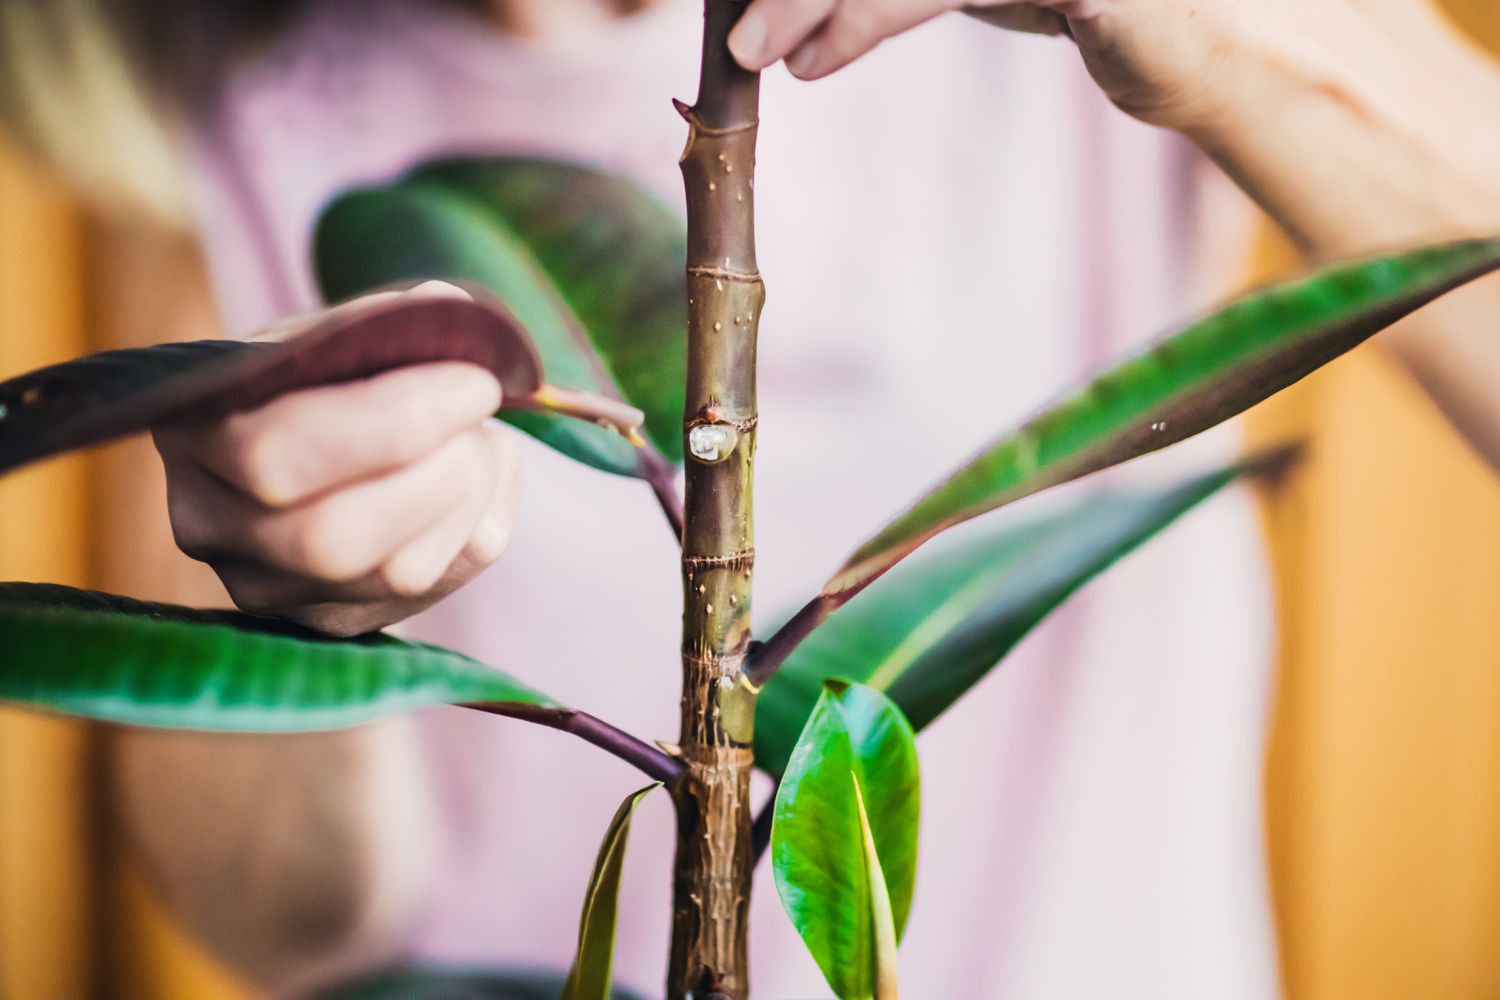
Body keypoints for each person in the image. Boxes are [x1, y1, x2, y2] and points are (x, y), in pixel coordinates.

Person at [2, 0, 1497, 995]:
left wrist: (1265, 38)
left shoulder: (1029, 52)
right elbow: (285, 919)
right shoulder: (234, 91)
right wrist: (310, 609)